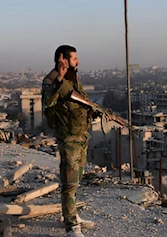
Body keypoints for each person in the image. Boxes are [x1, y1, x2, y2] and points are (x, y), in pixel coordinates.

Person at [42, 45, 95, 237]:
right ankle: (71, 227)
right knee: (69, 181)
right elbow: (48, 103)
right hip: (68, 138)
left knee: (78, 177)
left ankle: (71, 215)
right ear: (62, 59)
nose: (77, 62)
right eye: (74, 59)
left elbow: (81, 99)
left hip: (81, 136)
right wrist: (59, 80)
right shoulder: (51, 80)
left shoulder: (73, 79)